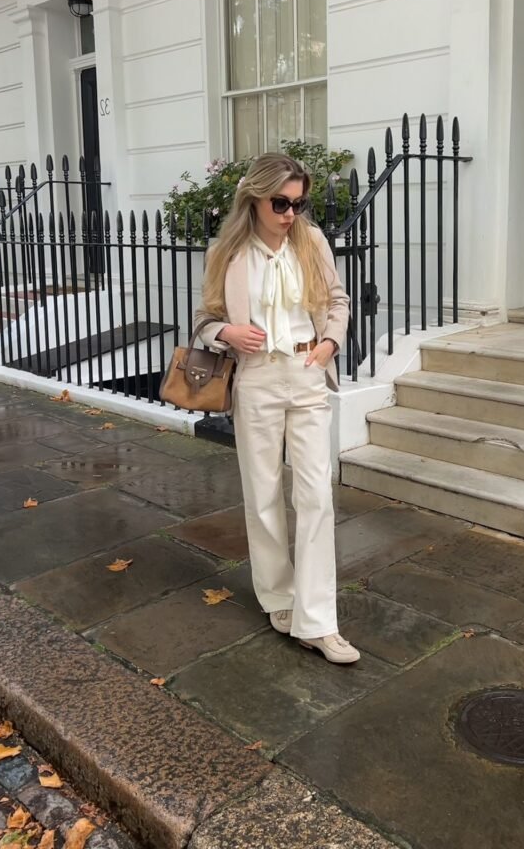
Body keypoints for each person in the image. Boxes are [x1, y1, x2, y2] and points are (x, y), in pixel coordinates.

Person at [195, 152, 360, 665]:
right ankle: (278, 598)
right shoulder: (228, 252)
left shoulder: (310, 242)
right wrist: (227, 332)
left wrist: (329, 346)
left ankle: (319, 622)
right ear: (256, 199)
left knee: (316, 496)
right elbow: (203, 320)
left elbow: (337, 300)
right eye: (281, 202)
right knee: (263, 495)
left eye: (299, 202)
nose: (291, 213)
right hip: (258, 378)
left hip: (306, 372)